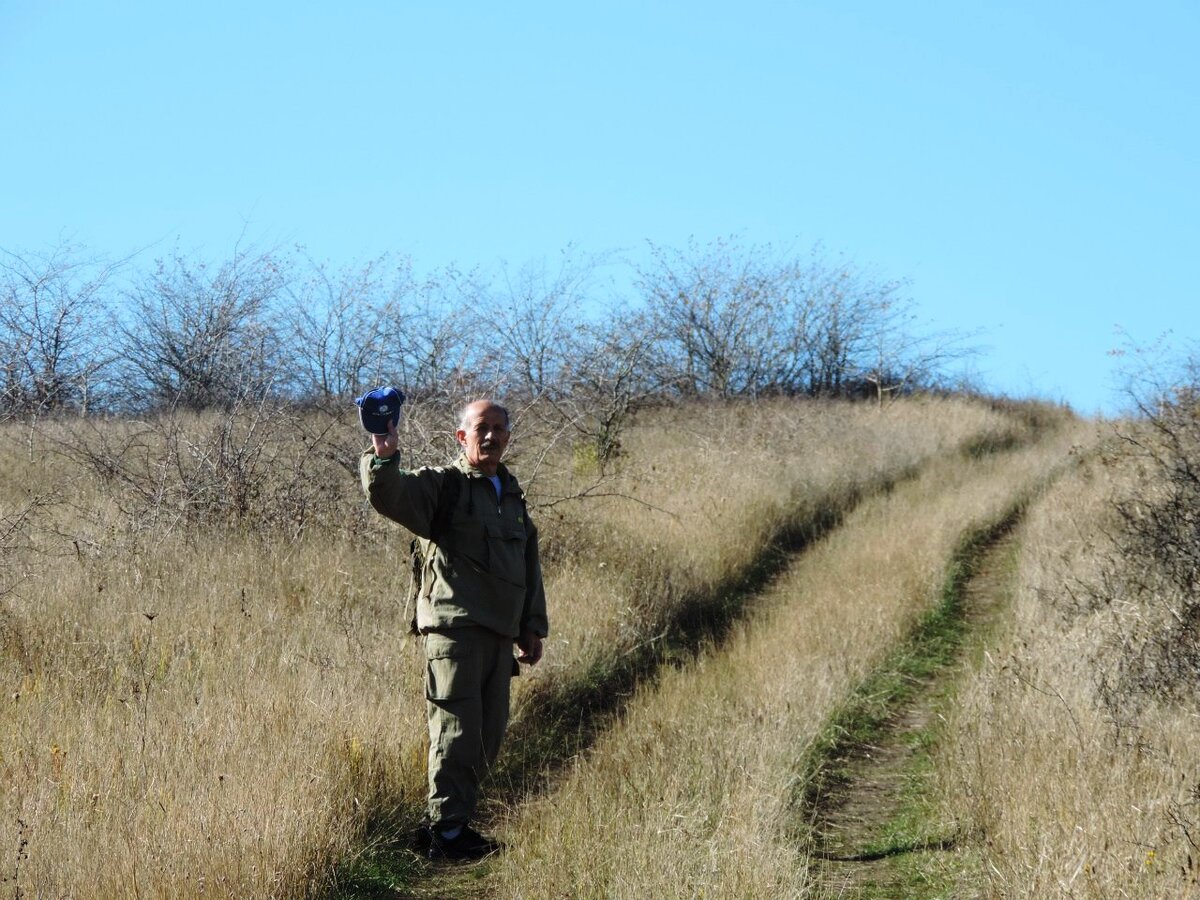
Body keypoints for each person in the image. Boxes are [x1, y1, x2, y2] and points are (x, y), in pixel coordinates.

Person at [358, 395, 548, 861]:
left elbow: (528, 564)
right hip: (454, 633)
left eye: (499, 428)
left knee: (488, 736)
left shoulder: (511, 492)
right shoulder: (444, 486)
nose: (491, 435)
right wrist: (383, 446)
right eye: (481, 427)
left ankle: (456, 824)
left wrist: (531, 627)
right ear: (462, 437)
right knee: (455, 733)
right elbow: (390, 495)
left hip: (499, 635)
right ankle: (444, 833)